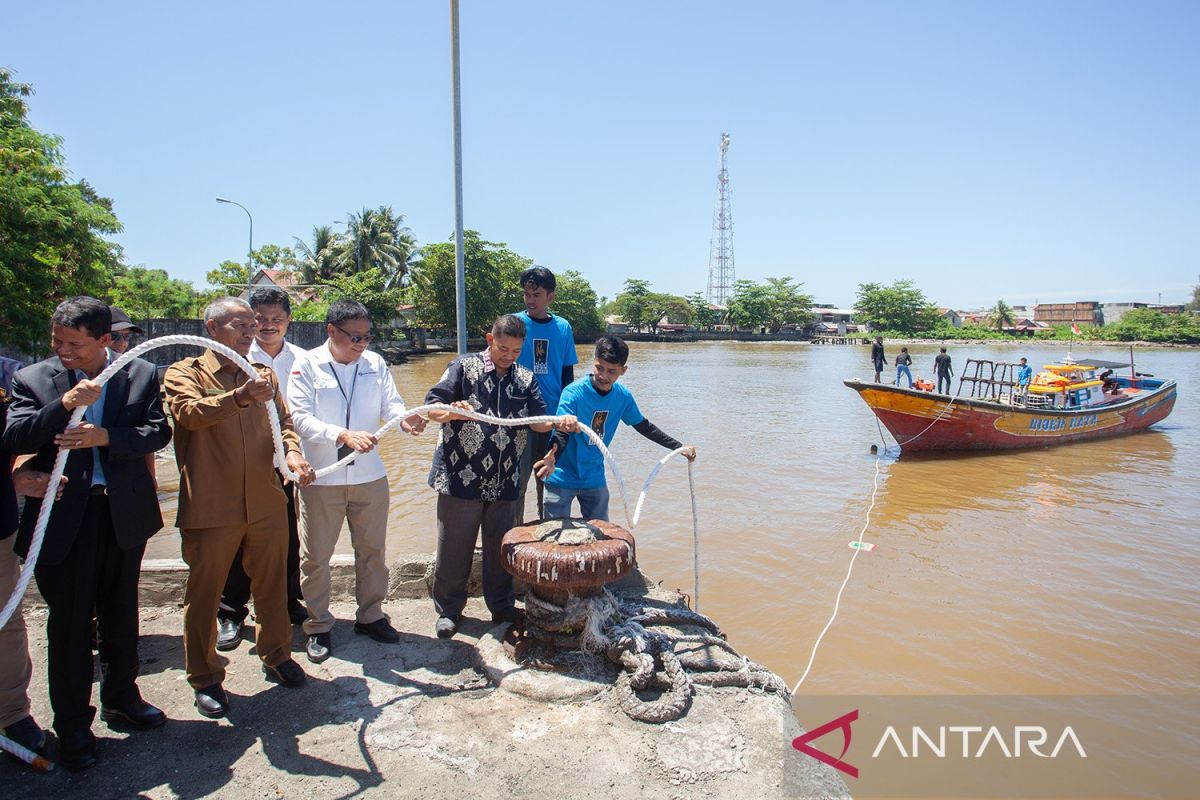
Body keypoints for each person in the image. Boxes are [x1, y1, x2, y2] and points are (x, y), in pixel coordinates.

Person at [3, 297, 171, 770]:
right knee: (71, 624)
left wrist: (107, 438)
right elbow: (16, 439)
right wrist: (64, 406)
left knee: (122, 614)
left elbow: (158, 432)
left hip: (122, 514)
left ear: (104, 341)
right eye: (58, 341)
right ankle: (73, 724)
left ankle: (123, 698)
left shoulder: (141, 374)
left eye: (75, 344)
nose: (64, 351)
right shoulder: (32, 380)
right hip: (62, 520)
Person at [163, 297, 314, 720]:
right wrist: (240, 396)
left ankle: (277, 653)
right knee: (204, 595)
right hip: (211, 505)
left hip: (266, 499)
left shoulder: (263, 374)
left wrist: (294, 456)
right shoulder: (184, 373)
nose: (251, 332)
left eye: (253, 325)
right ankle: (206, 677)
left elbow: (284, 424)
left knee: (272, 587)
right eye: (240, 325)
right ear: (212, 328)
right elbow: (189, 415)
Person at [288, 300, 425, 664]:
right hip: (322, 478)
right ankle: (317, 625)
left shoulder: (375, 364)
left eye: (366, 337)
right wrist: (341, 434)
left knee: (373, 551)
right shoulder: (305, 365)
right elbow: (298, 418)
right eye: (355, 337)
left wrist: (405, 420)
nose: (362, 344)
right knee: (316, 556)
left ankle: (371, 616)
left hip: (369, 476)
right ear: (331, 331)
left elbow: (391, 404)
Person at [424, 314, 577, 639]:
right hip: (459, 479)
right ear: (490, 339)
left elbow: (537, 421)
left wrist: (556, 422)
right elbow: (431, 407)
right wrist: (452, 410)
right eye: (503, 348)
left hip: (506, 479)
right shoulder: (462, 368)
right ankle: (449, 610)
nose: (509, 356)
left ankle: (502, 606)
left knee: (501, 548)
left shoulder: (525, 378)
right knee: (453, 547)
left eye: (515, 351)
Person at [215, 287, 309, 653]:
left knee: (287, 540)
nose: (268, 326)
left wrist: (296, 455)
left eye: (277, 319)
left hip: (288, 464)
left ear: (288, 322)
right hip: (242, 467)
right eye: (261, 320)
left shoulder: (304, 359)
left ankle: (286, 602)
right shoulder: (233, 356)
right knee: (236, 542)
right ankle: (230, 612)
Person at [535, 336, 696, 521]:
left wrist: (678, 447)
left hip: (593, 478)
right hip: (561, 476)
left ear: (623, 370)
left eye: (612, 371)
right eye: (599, 368)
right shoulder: (573, 393)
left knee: (601, 535)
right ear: (593, 361)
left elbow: (644, 427)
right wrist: (552, 456)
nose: (603, 376)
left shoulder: (623, 397)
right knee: (554, 540)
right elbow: (561, 433)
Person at [512, 266, 578, 522]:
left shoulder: (563, 328)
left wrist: (566, 415)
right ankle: (512, 539)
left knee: (549, 481)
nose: (530, 300)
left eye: (536, 294)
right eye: (526, 294)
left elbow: (567, 376)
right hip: (517, 418)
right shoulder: (515, 324)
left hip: (551, 417)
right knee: (515, 484)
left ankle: (546, 534)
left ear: (550, 296)